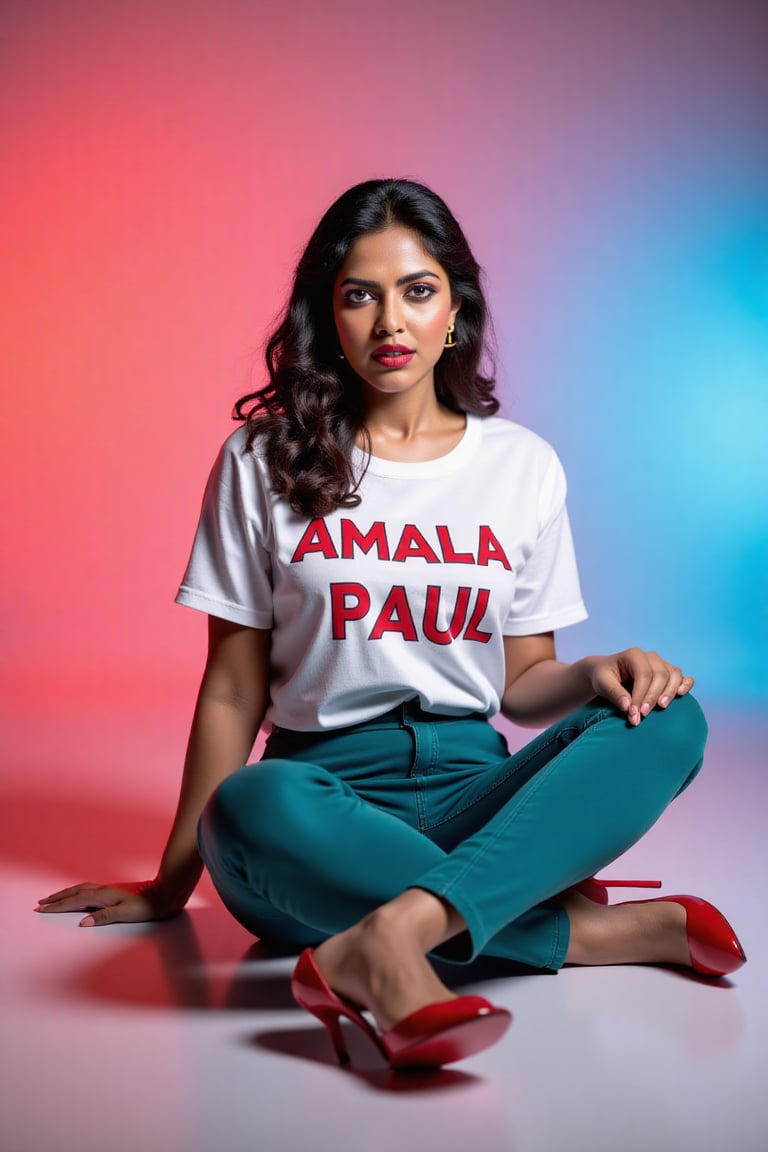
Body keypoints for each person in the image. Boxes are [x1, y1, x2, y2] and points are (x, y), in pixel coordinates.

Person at [37, 178, 745, 1071]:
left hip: (478, 800)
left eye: (417, 291)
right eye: (359, 295)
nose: (389, 324)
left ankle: (391, 937)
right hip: (320, 819)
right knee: (248, 805)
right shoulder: (260, 460)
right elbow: (231, 687)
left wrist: (602, 671)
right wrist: (174, 881)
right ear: (327, 317)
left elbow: (525, 686)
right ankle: (581, 932)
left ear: (456, 310)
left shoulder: (522, 466)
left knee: (669, 715)